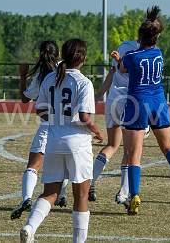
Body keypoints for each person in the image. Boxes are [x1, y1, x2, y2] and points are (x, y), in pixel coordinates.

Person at [110, 6, 170, 215]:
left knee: (133, 155)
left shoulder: (131, 56)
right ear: (156, 37)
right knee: (168, 148)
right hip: (158, 102)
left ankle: (135, 196)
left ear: (139, 37)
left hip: (137, 103)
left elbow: (122, 69)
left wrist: (117, 58)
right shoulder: (159, 53)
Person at [20, 38, 103, 243]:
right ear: (82, 57)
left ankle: (30, 227)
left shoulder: (50, 78)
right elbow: (84, 117)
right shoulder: (84, 82)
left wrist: (57, 120)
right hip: (78, 144)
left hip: (54, 141)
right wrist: (96, 130)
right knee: (81, 196)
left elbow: (39, 109)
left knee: (50, 192)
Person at [11, 41, 69, 220]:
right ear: (58, 53)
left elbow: (25, 99)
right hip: (67, 126)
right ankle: (63, 194)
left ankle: (26, 198)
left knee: (32, 167)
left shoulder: (42, 76)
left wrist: (22, 76)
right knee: (65, 164)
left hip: (47, 125)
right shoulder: (67, 70)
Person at [89, 39, 146, 206]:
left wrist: (100, 94)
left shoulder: (124, 46)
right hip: (131, 101)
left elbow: (113, 72)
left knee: (112, 145)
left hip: (113, 99)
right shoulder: (149, 53)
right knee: (131, 151)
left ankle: (90, 181)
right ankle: (124, 192)